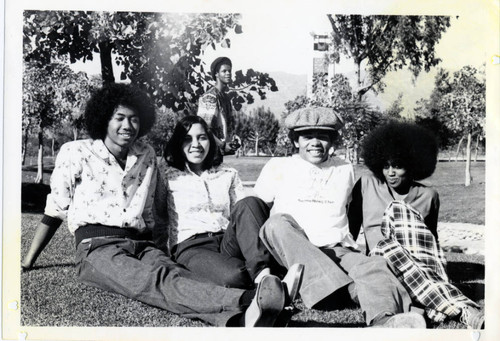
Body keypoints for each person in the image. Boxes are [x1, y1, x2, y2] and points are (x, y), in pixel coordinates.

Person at [21, 83, 289, 327]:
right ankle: (246, 305)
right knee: (152, 282)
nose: (128, 125)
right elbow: (55, 207)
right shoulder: (75, 151)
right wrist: (28, 261)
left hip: (140, 244)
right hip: (97, 248)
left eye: (134, 119)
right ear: (104, 119)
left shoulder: (145, 154)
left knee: (175, 273)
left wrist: (162, 249)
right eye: (120, 118)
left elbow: (150, 212)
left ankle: (261, 300)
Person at [254, 107, 426, 328]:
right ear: (296, 141)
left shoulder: (345, 168)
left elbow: (349, 210)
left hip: (338, 249)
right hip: (295, 249)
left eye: (323, 137)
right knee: (276, 223)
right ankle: (340, 289)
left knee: (374, 265)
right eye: (307, 137)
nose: (315, 143)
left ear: (332, 141)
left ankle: (384, 320)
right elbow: (257, 210)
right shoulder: (278, 166)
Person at [348, 121, 484, 329]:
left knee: (401, 214)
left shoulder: (429, 196)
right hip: (380, 261)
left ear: (413, 165)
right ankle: (464, 310)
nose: (391, 172)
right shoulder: (367, 184)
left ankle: (425, 308)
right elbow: (350, 229)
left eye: (398, 166)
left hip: (416, 263)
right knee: (394, 223)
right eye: (386, 166)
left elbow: (430, 242)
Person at [155, 115, 304, 294]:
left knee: (249, 203)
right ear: (179, 142)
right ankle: (274, 277)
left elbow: (242, 214)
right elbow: (159, 218)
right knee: (235, 276)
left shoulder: (228, 173)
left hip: (227, 241)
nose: (196, 144)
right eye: (188, 138)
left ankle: (264, 277)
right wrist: (162, 256)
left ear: (210, 141)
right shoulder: (168, 174)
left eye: (201, 137)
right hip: (192, 247)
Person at [197, 56, 240, 157]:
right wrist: (222, 145)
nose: (228, 73)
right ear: (216, 74)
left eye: (229, 71)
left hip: (218, 154)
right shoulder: (210, 97)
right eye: (224, 71)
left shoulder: (225, 98)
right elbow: (203, 127)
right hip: (208, 153)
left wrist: (232, 141)